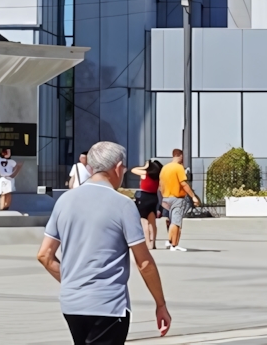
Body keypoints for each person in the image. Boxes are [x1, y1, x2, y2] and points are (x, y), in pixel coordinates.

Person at [38, 141, 172, 344]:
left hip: (72, 304)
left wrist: (73, 283)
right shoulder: (123, 205)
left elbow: (44, 255)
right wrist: (160, 304)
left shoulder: (65, 201)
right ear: (117, 167)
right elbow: (144, 263)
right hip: (108, 305)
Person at [157, 149, 199, 252]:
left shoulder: (164, 168)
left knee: (170, 220)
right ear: (180, 156)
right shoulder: (179, 168)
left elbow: (160, 185)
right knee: (176, 222)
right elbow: (183, 183)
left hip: (165, 198)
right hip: (177, 198)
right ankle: (174, 245)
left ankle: (170, 240)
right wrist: (193, 196)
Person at [130, 159, 163, 248]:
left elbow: (133, 170)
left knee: (144, 222)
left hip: (144, 197)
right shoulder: (158, 176)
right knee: (152, 223)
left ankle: (148, 242)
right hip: (153, 197)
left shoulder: (145, 174)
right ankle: (153, 243)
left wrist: (144, 167)